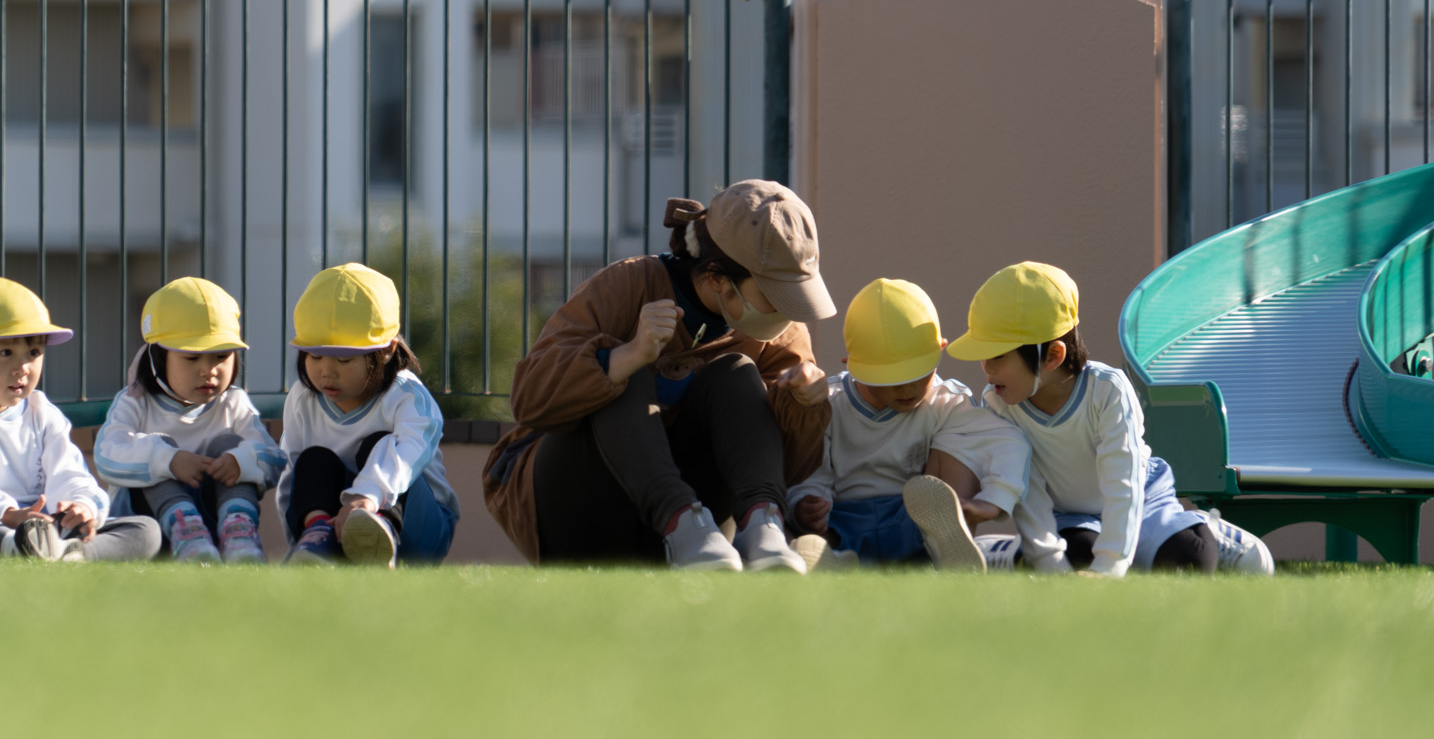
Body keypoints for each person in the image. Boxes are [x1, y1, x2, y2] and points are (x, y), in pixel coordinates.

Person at [483, 180, 835, 572]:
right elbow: (529, 400)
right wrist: (626, 355)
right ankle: (681, 523)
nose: (787, 309)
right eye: (774, 292)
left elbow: (795, 466)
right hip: (580, 504)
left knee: (737, 373)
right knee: (627, 373)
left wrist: (805, 405)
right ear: (718, 278)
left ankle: (762, 528)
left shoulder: (780, 333)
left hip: (705, 530)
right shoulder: (628, 284)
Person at [945, 262, 1274, 576]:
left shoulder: (1108, 391)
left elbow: (1123, 484)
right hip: (1071, 514)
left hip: (1142, 501)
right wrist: (1049, 562)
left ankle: (1204, 529)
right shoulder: (1001, 404)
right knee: (1076, 558)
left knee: (1190, 560)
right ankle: (1008, 551)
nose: (986, 371)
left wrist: (1111, 566)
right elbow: (1028, 494)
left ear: (1052, 356)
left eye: (997, 357)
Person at [787, 278, 1030, 573]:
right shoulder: (830, 404)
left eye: (919, 374)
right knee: (814, 536)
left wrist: (994, 500)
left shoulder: (944, 402)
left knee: (959, 446)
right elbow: (811, 469)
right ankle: (833, 559)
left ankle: (944, 549)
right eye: (891, 379)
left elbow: (1006, 439)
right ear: (852, 365)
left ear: (941, 350)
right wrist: (807, 504)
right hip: (842, 518)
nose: (908, 389)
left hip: (914, 520)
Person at [0, 276, 158, 561]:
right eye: (6, 352)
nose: (23, 367)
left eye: (34, 352)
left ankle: (69, 558)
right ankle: (14, 549)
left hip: (44, 528)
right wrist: (7, 513)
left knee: (145, 528)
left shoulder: (42, 411)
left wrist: (82, 506)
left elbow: (70, 471)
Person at [277, 263, 458, 568]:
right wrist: (295, 541)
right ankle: (317, 538)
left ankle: (380, 530)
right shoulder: (302, 398)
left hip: (415, 528)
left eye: (344, 359)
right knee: (313, 460)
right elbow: (290, 474)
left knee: (380, 444)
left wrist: (367, 498)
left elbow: (409, 454)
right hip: (334, 517)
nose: (326, 370)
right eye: (315, 355)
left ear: (386, 351)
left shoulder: (405, 395)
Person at [94, 277, 285, 563]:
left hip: (214, 532)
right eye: (192, 358)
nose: (208, 370)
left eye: (220, 356)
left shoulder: (233, 402)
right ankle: (186, 532)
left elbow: (273, 458)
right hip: (149, 538)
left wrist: (240, 462)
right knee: (155, 449)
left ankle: (238, 535)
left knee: (233, 444)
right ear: (158, 357)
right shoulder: (135, 401)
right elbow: (106, 457)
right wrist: (168, 460)